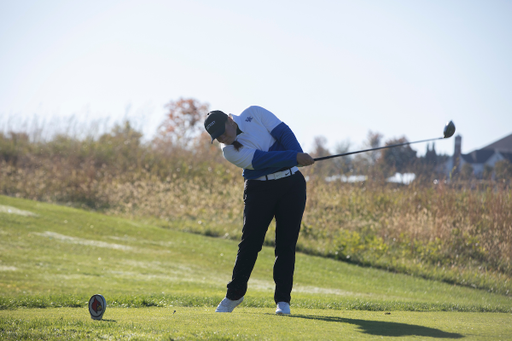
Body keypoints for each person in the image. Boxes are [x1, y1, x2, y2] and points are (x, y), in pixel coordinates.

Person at [203, 105, 315, 315]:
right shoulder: (229, 152)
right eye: (216, 137)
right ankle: (234, 295)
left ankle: (283, 301)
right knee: (250, 244)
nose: (222, 139)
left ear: (230, 120)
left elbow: (283, 132)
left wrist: (297, 154)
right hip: (259, 190)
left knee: (286, 244)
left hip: (292, 186)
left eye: (222, 132)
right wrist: (292, 158)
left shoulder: (253, 113)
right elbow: (261, 161)